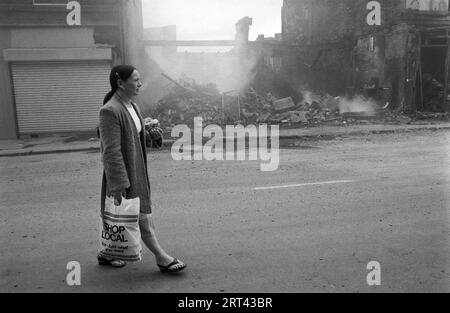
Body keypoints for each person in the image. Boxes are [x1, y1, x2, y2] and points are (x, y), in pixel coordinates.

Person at [97, 65, 186, 272]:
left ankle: (105, 253)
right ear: (120, 83)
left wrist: (152, 135)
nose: (140, 84)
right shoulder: (110, 111)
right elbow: (111, 151)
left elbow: (135, 137)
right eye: (136, 80)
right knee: (141, 215)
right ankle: (162, 257)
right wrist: (119, 184)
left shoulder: (132, 106)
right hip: (124, 174)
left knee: (117, 216)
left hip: (137, 170)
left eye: (139, 79)